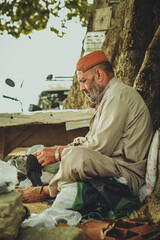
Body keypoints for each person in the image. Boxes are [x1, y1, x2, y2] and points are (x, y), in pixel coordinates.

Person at [17, 50, 153, 206]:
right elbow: (90, 139)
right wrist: (60, 149)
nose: (81, 88)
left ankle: (46, 191)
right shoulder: (108, 97)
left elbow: (99, 147)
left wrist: (58, 154)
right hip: (110, 165)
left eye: (83, 81)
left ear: (99, 75)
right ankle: (43, 183)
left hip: (126, 175)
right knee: (38, 151)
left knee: (76, 157)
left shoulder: (118, 96)